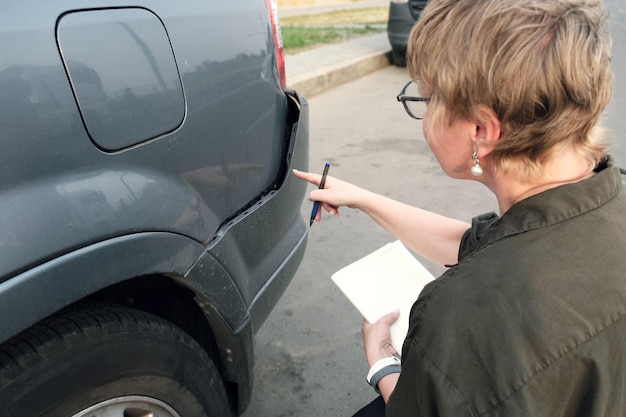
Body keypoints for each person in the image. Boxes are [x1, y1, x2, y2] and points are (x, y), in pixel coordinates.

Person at [293, 0, 626, 415]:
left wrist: (383, 365)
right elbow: (478, 245)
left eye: (427, 99)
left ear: (481, 130)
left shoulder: (458, 318)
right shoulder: (601, 197)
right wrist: (362, 197)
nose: (424, 114)